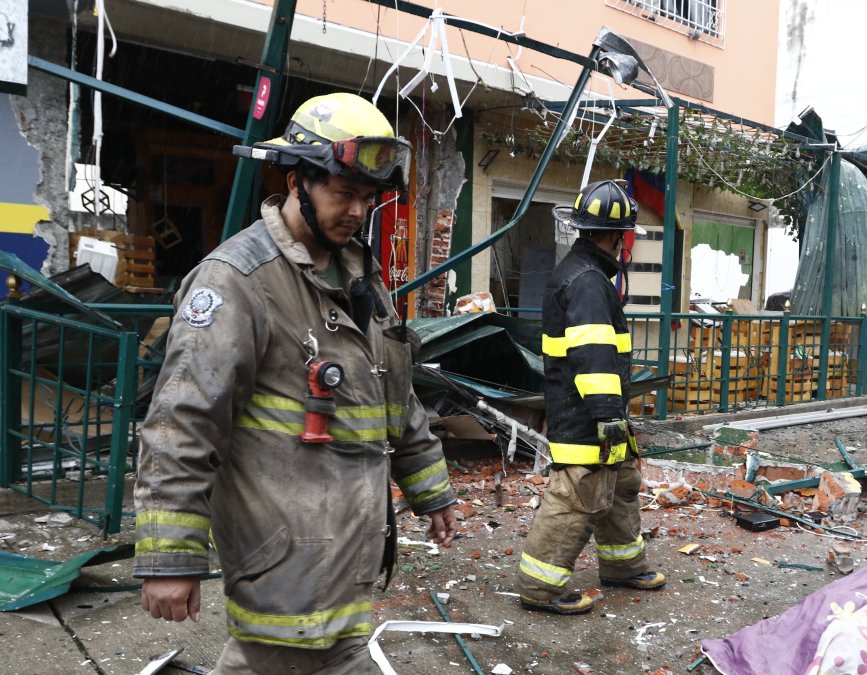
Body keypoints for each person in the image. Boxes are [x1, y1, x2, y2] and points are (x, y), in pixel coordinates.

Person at [133, 93, 457, 672]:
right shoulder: (237, 282)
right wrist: (169, 558)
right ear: (295, 182)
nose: (357, 211)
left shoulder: (361, 276)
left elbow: (395, 396)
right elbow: (181, 424)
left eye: (367, 198)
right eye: (344, 193)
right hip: (283, 557)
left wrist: (431, 491)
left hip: (347, 553)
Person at [517, 180, 665, 615]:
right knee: (578, 493)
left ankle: (623, 566)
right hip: (586, 412)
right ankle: (540, 588)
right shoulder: (587, 281)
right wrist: (607, 413)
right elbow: (594, 352)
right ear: (618, 236)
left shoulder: (586, 273)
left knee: (619, 485)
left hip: (590, 408)